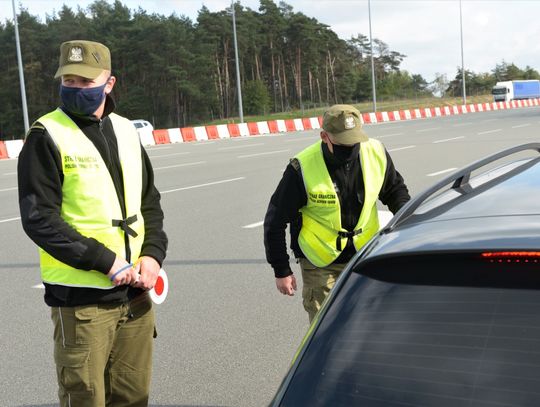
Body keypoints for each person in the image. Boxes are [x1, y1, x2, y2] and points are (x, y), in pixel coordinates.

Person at [17, 40, 168, 407]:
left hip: (136, 297)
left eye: (86, 82)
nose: (76, 88)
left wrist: (152, 255)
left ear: (109, 83)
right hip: (82, 305)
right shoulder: (45, 135)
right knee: (84, 399)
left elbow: (149, 202)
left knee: (134, 398)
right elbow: (39, 219)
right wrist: (106, 262)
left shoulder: (127, 131)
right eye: (69, 80)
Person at [264, 104, 410, 323]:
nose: (350, 148)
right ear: (325, 137)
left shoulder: (375, 152)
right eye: (343, 143)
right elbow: (275, 220)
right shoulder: (302, 167)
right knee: (327, 328)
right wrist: (281, 270)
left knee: (369, 322)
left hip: (364, 255)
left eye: (354, 142)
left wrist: (411, 227)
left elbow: (395, 192)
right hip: (320, 262)